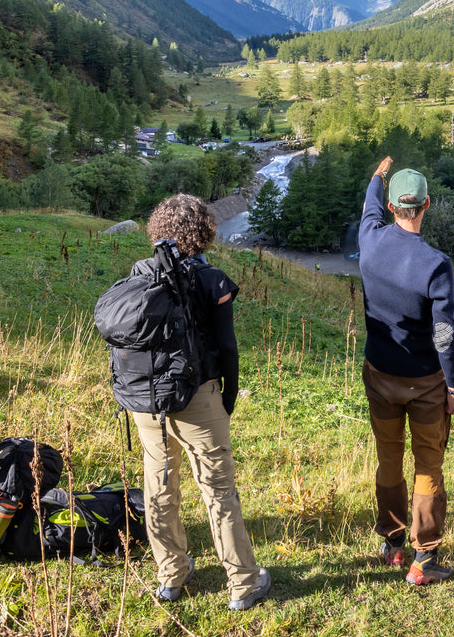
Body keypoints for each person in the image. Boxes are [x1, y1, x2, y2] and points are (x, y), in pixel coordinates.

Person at [132, 194, 271, 609]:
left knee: (159, 486)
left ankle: (171, 576)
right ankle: (243, 583)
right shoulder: (213, 281)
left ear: (158, 229)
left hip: (148, 399)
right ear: (205, 232)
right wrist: (227, 395)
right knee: (218, 490)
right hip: (199, 396)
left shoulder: (143, 273)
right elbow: (227, 347)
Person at [358, 156, 454, 585]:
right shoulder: (435, 264)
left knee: (388, 459)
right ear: (426, 205)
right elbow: (444, 333)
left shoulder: (369, 238)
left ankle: (392, 543)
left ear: (389, 208)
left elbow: (367, 206)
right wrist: (452, 384)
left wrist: (377, 177)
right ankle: (424, 558)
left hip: (380, 374)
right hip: (424, 383)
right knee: (427, 465)